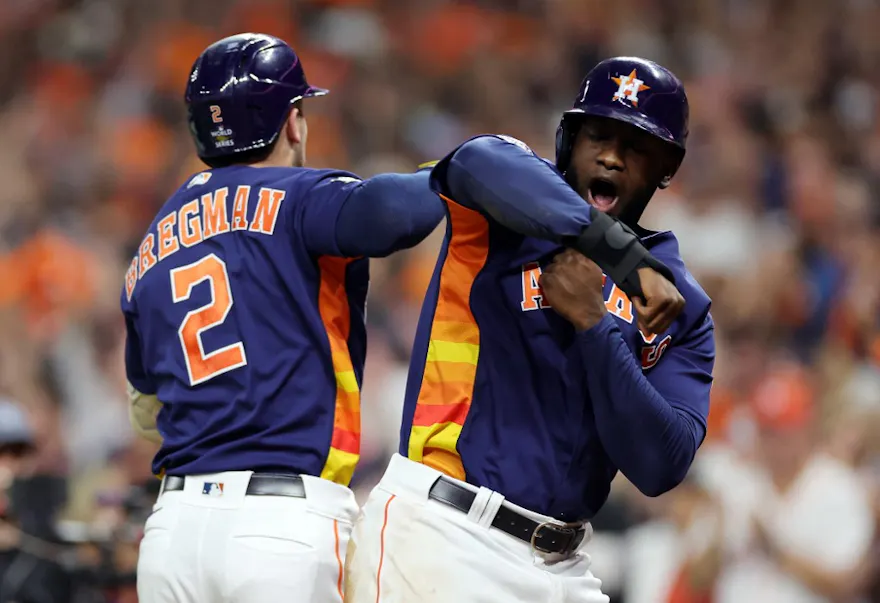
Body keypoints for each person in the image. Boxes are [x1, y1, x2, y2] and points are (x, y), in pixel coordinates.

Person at [344, 57, 715, 603]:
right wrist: (622, 259)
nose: (611, 156)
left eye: (636, 146)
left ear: (665, 168)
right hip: (447, 533)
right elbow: (474, 159)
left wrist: (595, 325)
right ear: (568, 139)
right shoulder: (506, 208)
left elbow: (662, 464)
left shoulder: (681, 302)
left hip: (564, 566)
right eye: (598, 135)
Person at [122, 33, 444, 603]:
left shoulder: (153, 240)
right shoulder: (299, 194)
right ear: (292, 121)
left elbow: (146, 407)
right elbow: (393, 213)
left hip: (173, 532)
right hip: (279, 526)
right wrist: (456, 172)